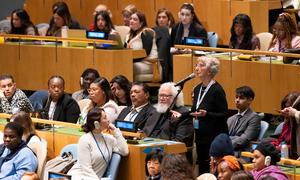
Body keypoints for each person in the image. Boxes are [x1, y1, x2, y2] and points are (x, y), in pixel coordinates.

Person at [191, 56, 228, 174]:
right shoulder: (197, 89)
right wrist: (181, 115)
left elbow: (224, 114)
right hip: (200, 134)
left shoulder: (217, 90)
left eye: (201, 65)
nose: (197, 68)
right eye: (197, 65)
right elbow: (194, 110)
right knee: (202, 165)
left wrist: (207, 114)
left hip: (214, 136)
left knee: (213, 168)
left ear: (210, 70)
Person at [68, 107, 128, 179]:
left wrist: (116, 131)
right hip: (79, 176)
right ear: (97, 124)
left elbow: (124, 152)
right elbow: (86, 169)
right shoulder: (85, 140)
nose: (108, 120)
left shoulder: (109, 139)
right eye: (105, 118)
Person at [143, 82, 194, 163]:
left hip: (169, 154)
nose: (162, 98)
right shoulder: (155, 111)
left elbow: (179, 143)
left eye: (166, 96)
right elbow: (145, 132)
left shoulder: (183, 114)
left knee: (142, 153)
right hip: (149, 148)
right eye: (160, 95)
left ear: (176, 98)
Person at [124, 11, 158, 81]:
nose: (131, 21)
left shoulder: (146, 32)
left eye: (135, 19)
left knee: (126, 66)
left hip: (148, 63)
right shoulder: (129, 35)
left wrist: (129, 59)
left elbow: (145, 53)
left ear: (141, 23)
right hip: (134, 61)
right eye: (131, 19)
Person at [227, 86, 261, 151]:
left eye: (241, 98)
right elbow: (223, 136)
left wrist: (225, 144)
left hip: (241, 153)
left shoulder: (254, 117)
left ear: (250, 100)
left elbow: (244, 139)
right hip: (227, 152)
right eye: (236, 97)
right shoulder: (231, 119)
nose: (237, 100)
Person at [272, 92, 300, 158]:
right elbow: (281, 140)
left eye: (288, 108)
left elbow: (295, 147)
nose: (284, 110)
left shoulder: (298, 125)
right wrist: (273, 145)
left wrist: (280, 147)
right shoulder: (287, 123)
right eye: (284, 107)